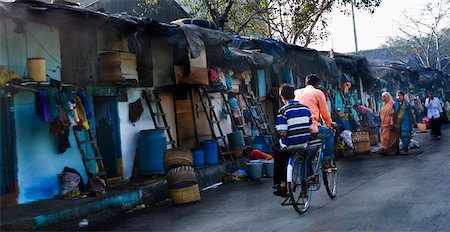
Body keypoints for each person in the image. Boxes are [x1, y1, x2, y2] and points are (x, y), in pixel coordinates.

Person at [273, 84, 312, 197]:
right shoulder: (305, 108)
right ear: (294, 95)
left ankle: (281, 184)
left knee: (279, 154)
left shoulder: (283, 111)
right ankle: (307, 175)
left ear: (282, 97)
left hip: (290, 144)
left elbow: (283, 132)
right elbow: (309, 128)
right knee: (304, 153)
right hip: (304, 143)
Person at [294, 74, 335, 169]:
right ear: (317, 84)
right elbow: (324, 114)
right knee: (329, 134)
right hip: (311, 127)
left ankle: (308, 164)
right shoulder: (317, 93)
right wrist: (329, 125)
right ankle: (327, 160)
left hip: (295, 127)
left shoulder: (296, 92)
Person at [394, 91, 415, 155]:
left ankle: (405, 150)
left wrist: (414, 122)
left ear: (403, 96)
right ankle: (399, 149)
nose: (398, 97)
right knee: (399, 136)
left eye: (400, 95)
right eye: (397, 95)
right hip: (398, 123)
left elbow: (411, 113)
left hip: (406, 122)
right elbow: (394, 113)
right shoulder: (395, 104)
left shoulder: (407, 103)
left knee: (405, 135)